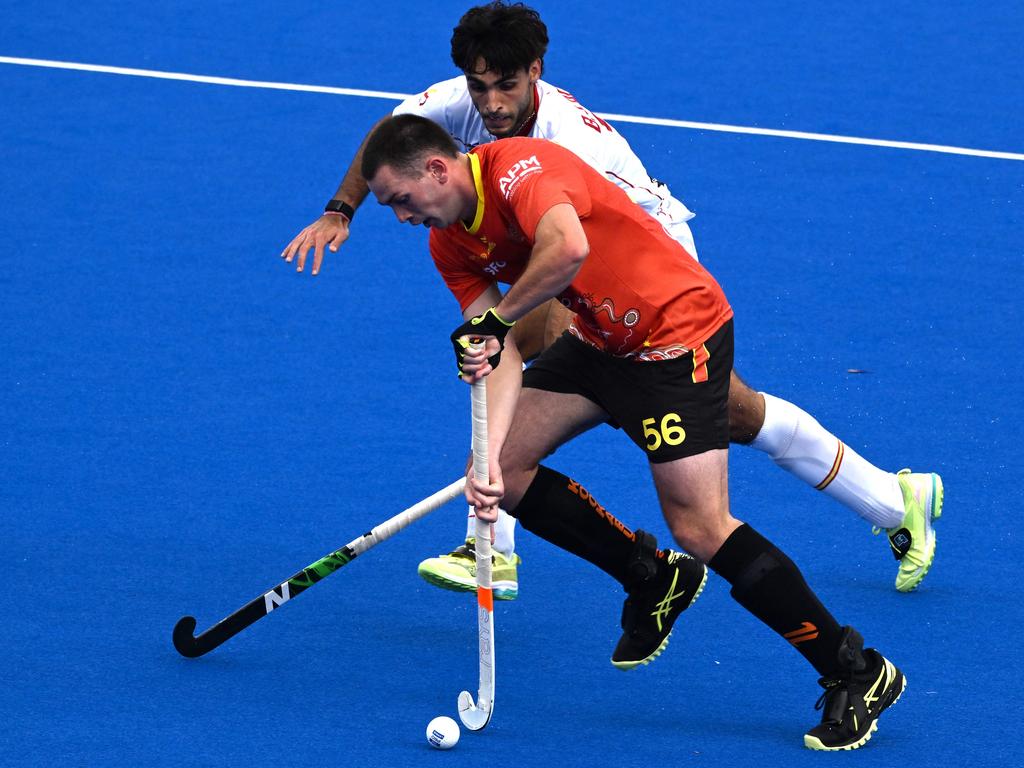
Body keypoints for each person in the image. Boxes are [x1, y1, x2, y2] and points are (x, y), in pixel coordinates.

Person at [281, 1, 943, 598]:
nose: (489, 104)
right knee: (734, 413)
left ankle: (491, 545)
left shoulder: (564, 140)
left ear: (535, 71)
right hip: (566, 251)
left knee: (507, 345)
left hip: (644, 256)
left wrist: (498, 329)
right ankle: (894, 499)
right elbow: (390, 135)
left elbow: (577, 259)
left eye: (505, 86)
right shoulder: (465, 100)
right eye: (479, 87)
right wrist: (342, 209)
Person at [359, 113, 906, 750]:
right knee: (505, 471)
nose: (402, 216)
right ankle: (651, 575)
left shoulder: (520, 170)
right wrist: (486, 458)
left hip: (677, 339)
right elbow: (497, 350)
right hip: (600, 343)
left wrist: (500, 320)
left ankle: (857, 671)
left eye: (400, 200)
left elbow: (567, 249)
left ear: (436, 168)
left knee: (700, 526)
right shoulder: (448, 242)